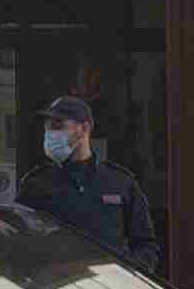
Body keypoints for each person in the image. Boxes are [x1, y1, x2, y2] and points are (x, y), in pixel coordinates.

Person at [15, 96, 161, 274]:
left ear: (84, 128)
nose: (49, 133)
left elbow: (145, 246)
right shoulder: (37, 184)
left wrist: (127, 275)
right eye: (47, 126)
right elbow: (19, 244)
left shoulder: (120, 183)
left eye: (57, 125)